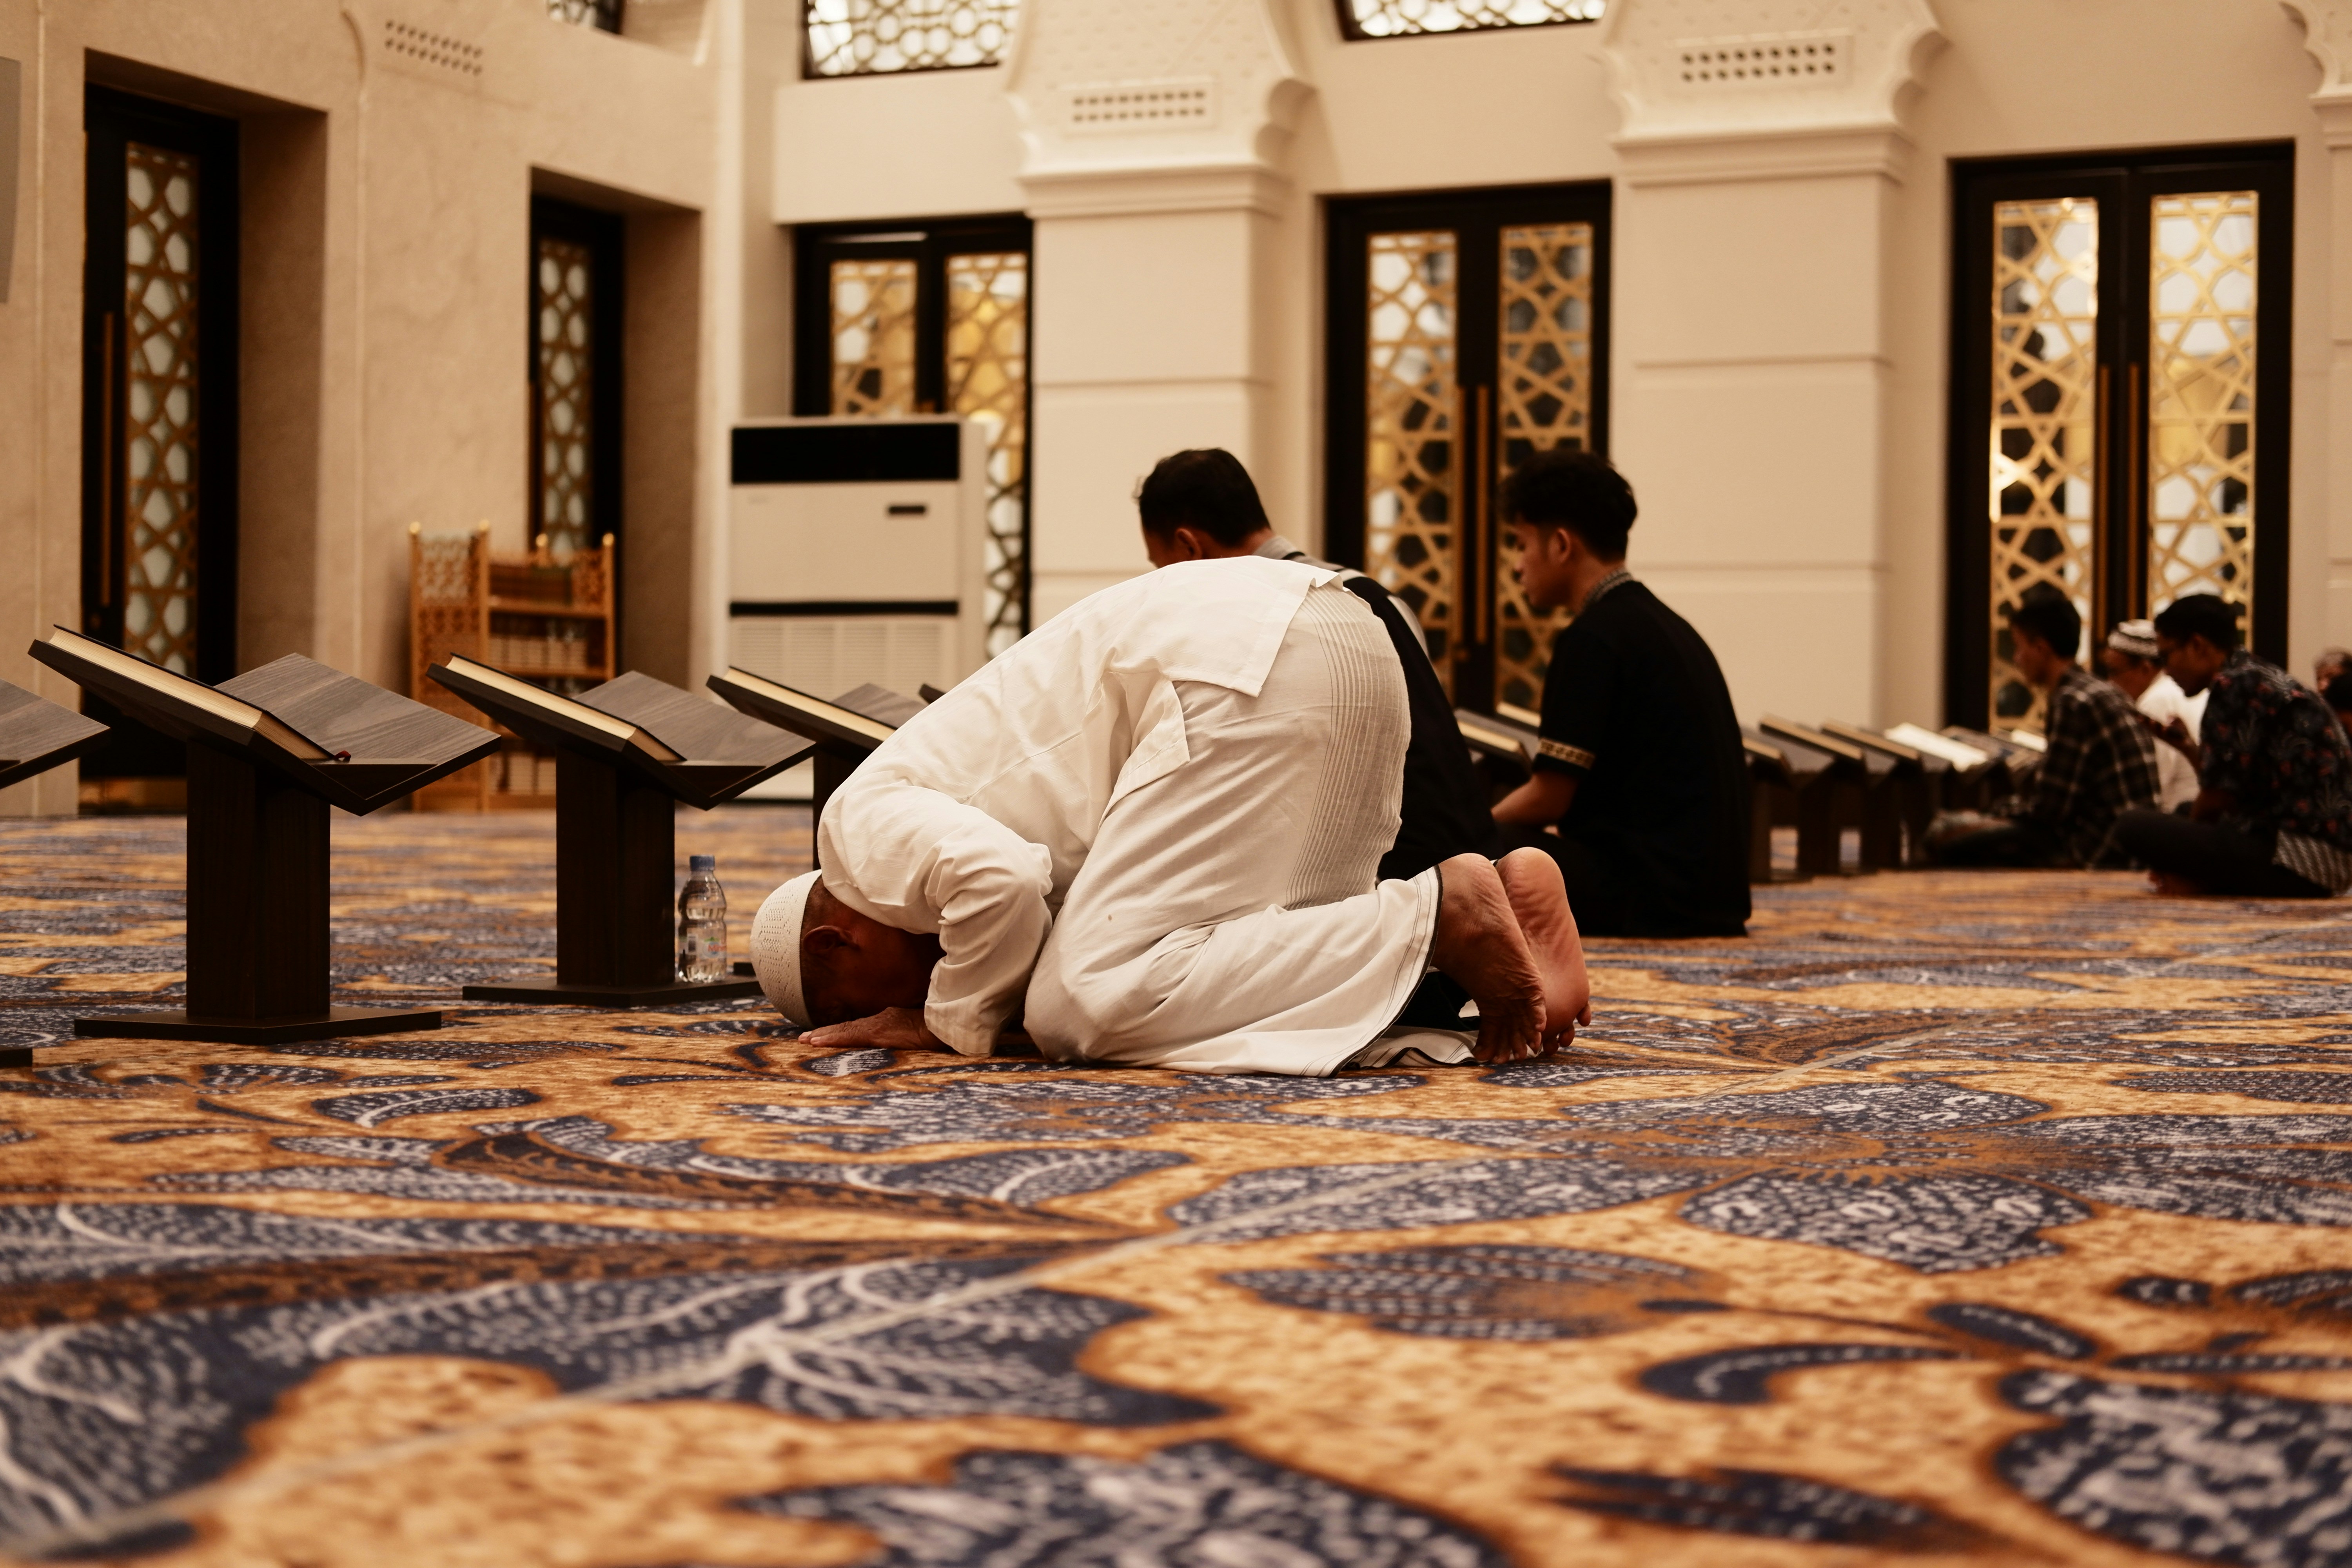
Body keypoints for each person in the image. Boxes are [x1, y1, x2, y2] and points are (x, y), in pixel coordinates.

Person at [747, 554, 1591, 1074]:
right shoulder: (920, 812)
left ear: (833, 942)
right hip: (1350, 645)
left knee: (1079, 1004)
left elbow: (997, 881)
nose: (875, 1022)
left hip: (1239, 671)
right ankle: (1490, 925)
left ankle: (1441, 914)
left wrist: (948, 1024)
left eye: (850, 1009)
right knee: (1248, 959)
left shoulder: (852, 828)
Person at [1133, 448, 1494, 882]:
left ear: (1189, 547)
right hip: (1475, 850)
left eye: (1162, 568)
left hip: (1396, 869)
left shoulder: (1265, 615)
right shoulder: (1372, 595)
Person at [1486, 448, 1749, 937]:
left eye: (1521, 545)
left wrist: (1472, 832)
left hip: (1647, 896)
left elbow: (1549, 799)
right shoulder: (1667, 626)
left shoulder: (1593, 637)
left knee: (1465, 849)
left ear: (1561, 545)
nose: (1518, 566)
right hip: (1712, 895)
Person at [2114, 594, 2352, 898]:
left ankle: (2197, 882)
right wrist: (2188, 749)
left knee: (2132, 825)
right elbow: (2235, 786)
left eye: (2167, 657)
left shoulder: (2233, 686)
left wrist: (2181, 860)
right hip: (2324, 862)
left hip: (2296, 862)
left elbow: (2218, 799)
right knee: (2184, 812)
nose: (2167, 670)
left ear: (2198, 645)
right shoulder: (2255, 676)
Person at [1934, 596, 2160, 868]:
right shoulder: (2092, 690)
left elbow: (2051, 809)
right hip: (2132, 844)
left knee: (1949, 837)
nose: (2017, 660)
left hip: (2102, 850)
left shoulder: (2072, 701)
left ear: (2041, 648)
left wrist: (1989, 815)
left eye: (2019, 648)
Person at [2100, 617, 2205, 812]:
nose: (2109, 683)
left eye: (2114, 672)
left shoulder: (2157, 701)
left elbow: (2152, 784)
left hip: (2178, 816)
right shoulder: (2175, 690)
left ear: (2145, 669)